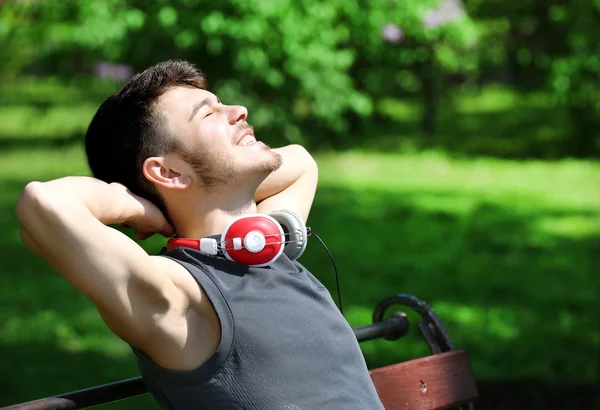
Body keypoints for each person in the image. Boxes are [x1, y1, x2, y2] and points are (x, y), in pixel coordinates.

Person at [14, 60, 384, 409]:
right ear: (168, 172)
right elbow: (43, 204)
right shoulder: (182, 297)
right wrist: (138, 207)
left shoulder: (261, 243)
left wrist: (213, 206)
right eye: (208, 113)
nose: (238, 110)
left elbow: (301, 162)